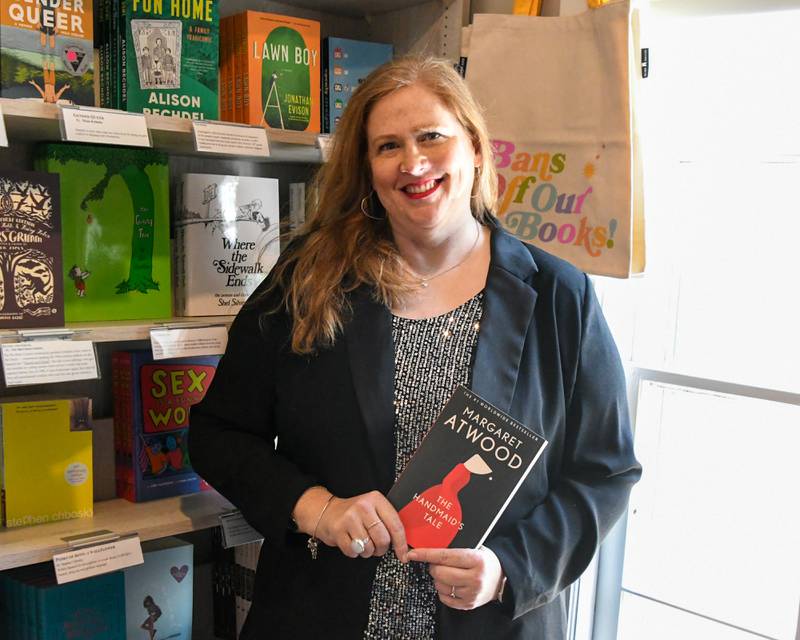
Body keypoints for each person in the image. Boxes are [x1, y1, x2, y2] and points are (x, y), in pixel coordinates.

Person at [189, 56, 641, 639]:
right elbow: (218, 434)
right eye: (387, 146)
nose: (414, 163)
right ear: (368, 169)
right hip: (322, 614)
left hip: (491, 624)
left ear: (475, 148)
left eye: (432, 137)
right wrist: (318, 509)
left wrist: (511, 568)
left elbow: (606, 472)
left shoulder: (560, 296)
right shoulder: (309, 281)